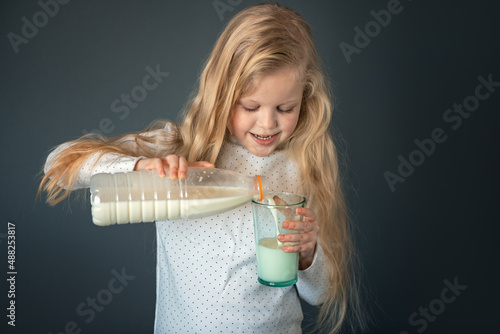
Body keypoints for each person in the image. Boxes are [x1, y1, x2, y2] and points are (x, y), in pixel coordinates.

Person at [39, 3, 367, 333]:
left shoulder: (300, 169)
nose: (267, 123)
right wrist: (141, 166)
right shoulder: (179, 148)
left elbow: (320, 294)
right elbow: (59, 162)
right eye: (250, 106)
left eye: (286, 108)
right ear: (222, 93)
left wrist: (309, 255)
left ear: (305, 99)